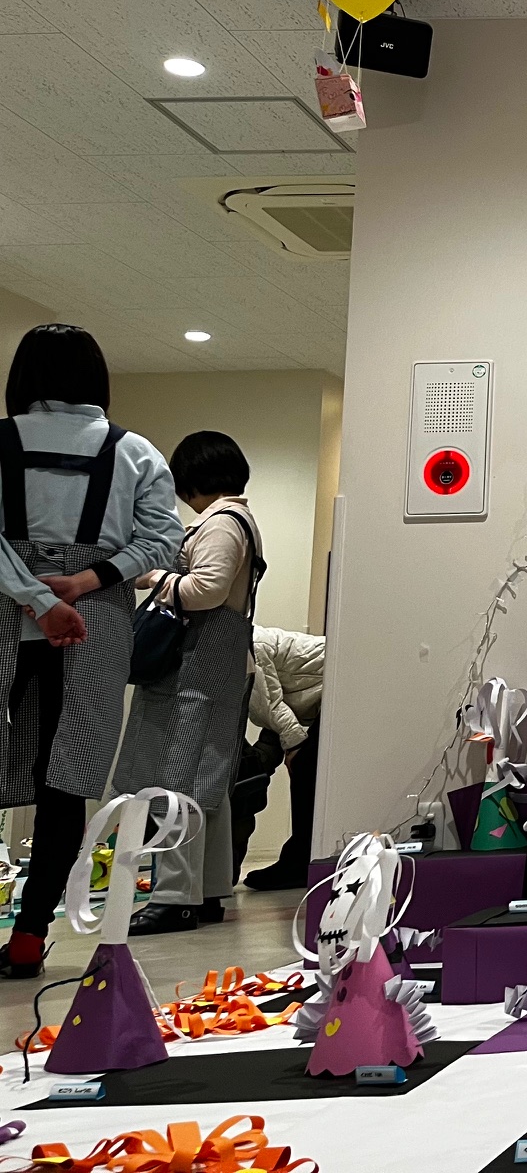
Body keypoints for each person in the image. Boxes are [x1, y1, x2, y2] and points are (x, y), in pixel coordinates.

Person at [0, 325, 182, 979]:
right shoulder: (135, 452)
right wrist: (80, 583)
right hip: (95, 623)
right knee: (66, 780)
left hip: (5, 615)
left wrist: (33, 596)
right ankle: (28, 939)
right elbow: (164, 542)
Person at [114, 431, 265, 935]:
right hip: (215, 670)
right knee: (207, 785)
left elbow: (208, 589)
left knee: (176, 783)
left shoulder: (221, 523)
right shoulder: (238, 520)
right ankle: (210, 891)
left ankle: (175, 897)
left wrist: (153, 579)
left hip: (196, 674)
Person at [231, 625, 323, 889]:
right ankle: (298, 861)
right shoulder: (247, 642)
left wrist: (295, 747)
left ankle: (298, 864)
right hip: (321, 701)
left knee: (305, 769)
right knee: (262, 769)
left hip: (338, 692)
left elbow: (270, 706)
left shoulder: (250, 645)